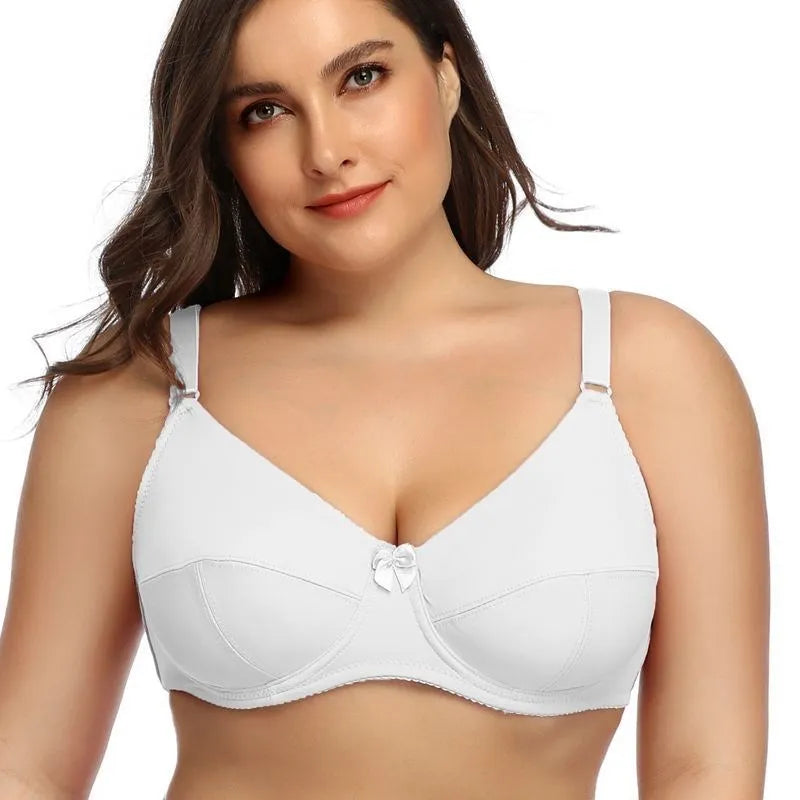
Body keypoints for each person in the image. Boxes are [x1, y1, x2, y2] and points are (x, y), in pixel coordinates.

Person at [0, 0, 769, 798]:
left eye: (362, 77)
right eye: (264, 111)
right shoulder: (138, 388)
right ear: (223, 148)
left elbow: (705, 769)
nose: (326, 152)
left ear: (446, 76)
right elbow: (25, 768)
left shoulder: (645, 371)